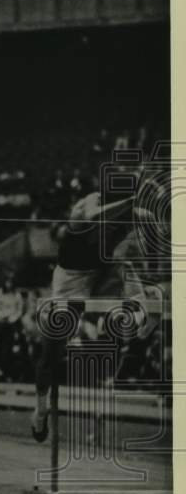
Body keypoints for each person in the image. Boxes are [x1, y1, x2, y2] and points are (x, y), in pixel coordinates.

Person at [31, 188, 159, 442]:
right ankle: (40, 407)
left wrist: (152, 257)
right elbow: (92, 216)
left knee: (126, 266)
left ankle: (143, 315)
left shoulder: (135, 214)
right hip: (72, 282)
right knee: (52, 352)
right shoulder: (85, 208)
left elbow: (152, 226)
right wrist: (132, 200)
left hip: (102, 274)